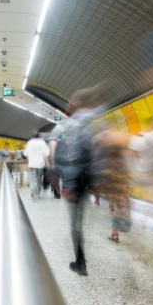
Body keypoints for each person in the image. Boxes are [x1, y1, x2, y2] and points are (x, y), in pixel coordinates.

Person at [53, 86, 105, 276]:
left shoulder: (72, 125)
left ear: (76, 104)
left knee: (75, 222)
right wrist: (98, 179)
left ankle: (80, 260)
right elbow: (98, 154)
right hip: (89, 179)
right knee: (80, 219)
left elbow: (70, 156)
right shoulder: (100, 122)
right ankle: (80, 257)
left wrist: (67, 184)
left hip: (76, 180)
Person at [23, 130, 51, 201]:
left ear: (31, 135)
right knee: (39, 179)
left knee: (33, 179)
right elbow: (46, 154)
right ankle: (37, 193)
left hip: (32, 164)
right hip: (40, 164)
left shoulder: (29, 143)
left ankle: (33, 193)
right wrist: (48, 163)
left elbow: (27, 154)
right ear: (39, 135)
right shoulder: (43, 143)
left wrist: (28, 162)